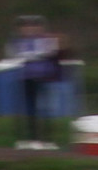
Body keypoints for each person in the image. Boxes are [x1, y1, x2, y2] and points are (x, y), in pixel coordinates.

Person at [5, 16, 62, 149]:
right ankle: (32, 138)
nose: (30, 29)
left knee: (46, 107)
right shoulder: (16, 41)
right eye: (26, 27)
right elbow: (12, 55)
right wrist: (31, 56)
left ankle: (48, 140)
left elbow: (50, 53)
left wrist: (31, 56)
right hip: (26, 77)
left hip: (44, 77)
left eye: (34, 26)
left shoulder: (46, 39)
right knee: (29, 108)